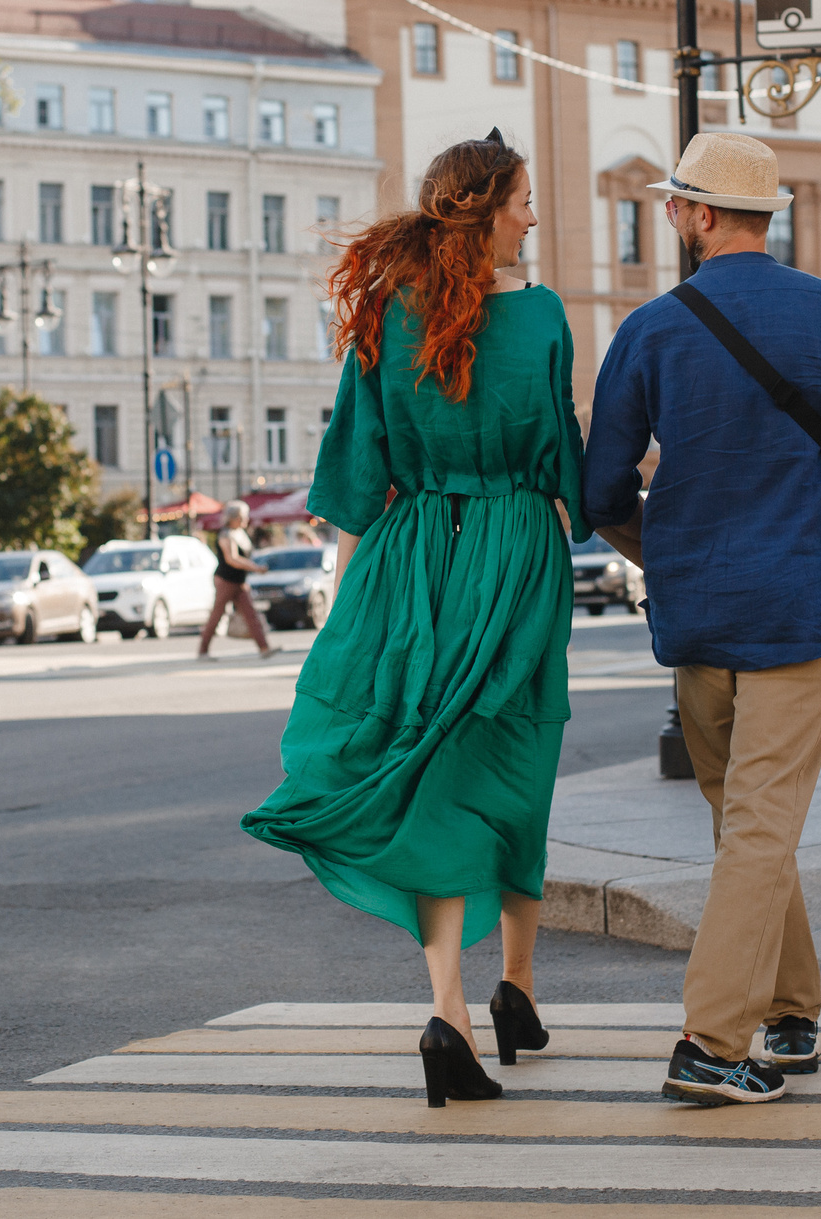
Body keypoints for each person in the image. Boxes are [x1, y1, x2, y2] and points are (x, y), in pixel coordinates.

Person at [241, 131, 587, 1110]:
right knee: (517, 763)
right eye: (522, 199)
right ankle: (516, 986)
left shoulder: (386, 318)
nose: (531, 215)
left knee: (431, 776)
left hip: (409, 558)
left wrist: (349, 616)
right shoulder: (546, 316)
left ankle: (455, 1009)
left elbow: (355, 475)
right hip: (515, 554)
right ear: (485, 209)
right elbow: (565, 465)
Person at [580, 130, 821, 1108]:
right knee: (759, 830)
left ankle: (792, 1012)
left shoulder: (648, 331)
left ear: (701, 214)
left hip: (697, 618)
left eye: (676, 204)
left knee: (744, 827)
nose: (670, 216)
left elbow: (601, 494)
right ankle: (714, 1042)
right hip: (801, 609)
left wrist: (665, 557)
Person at [198, 500, 275, 659]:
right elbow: (232, 559)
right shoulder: (226, 534)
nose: (246, 519)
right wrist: (255, 568)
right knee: (217, 615)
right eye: (243, 516)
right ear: (235, 517)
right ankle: (203, 650)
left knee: (250, 614)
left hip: (239, 581)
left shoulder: (241, 533)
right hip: (226, 580)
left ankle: (264, 648)